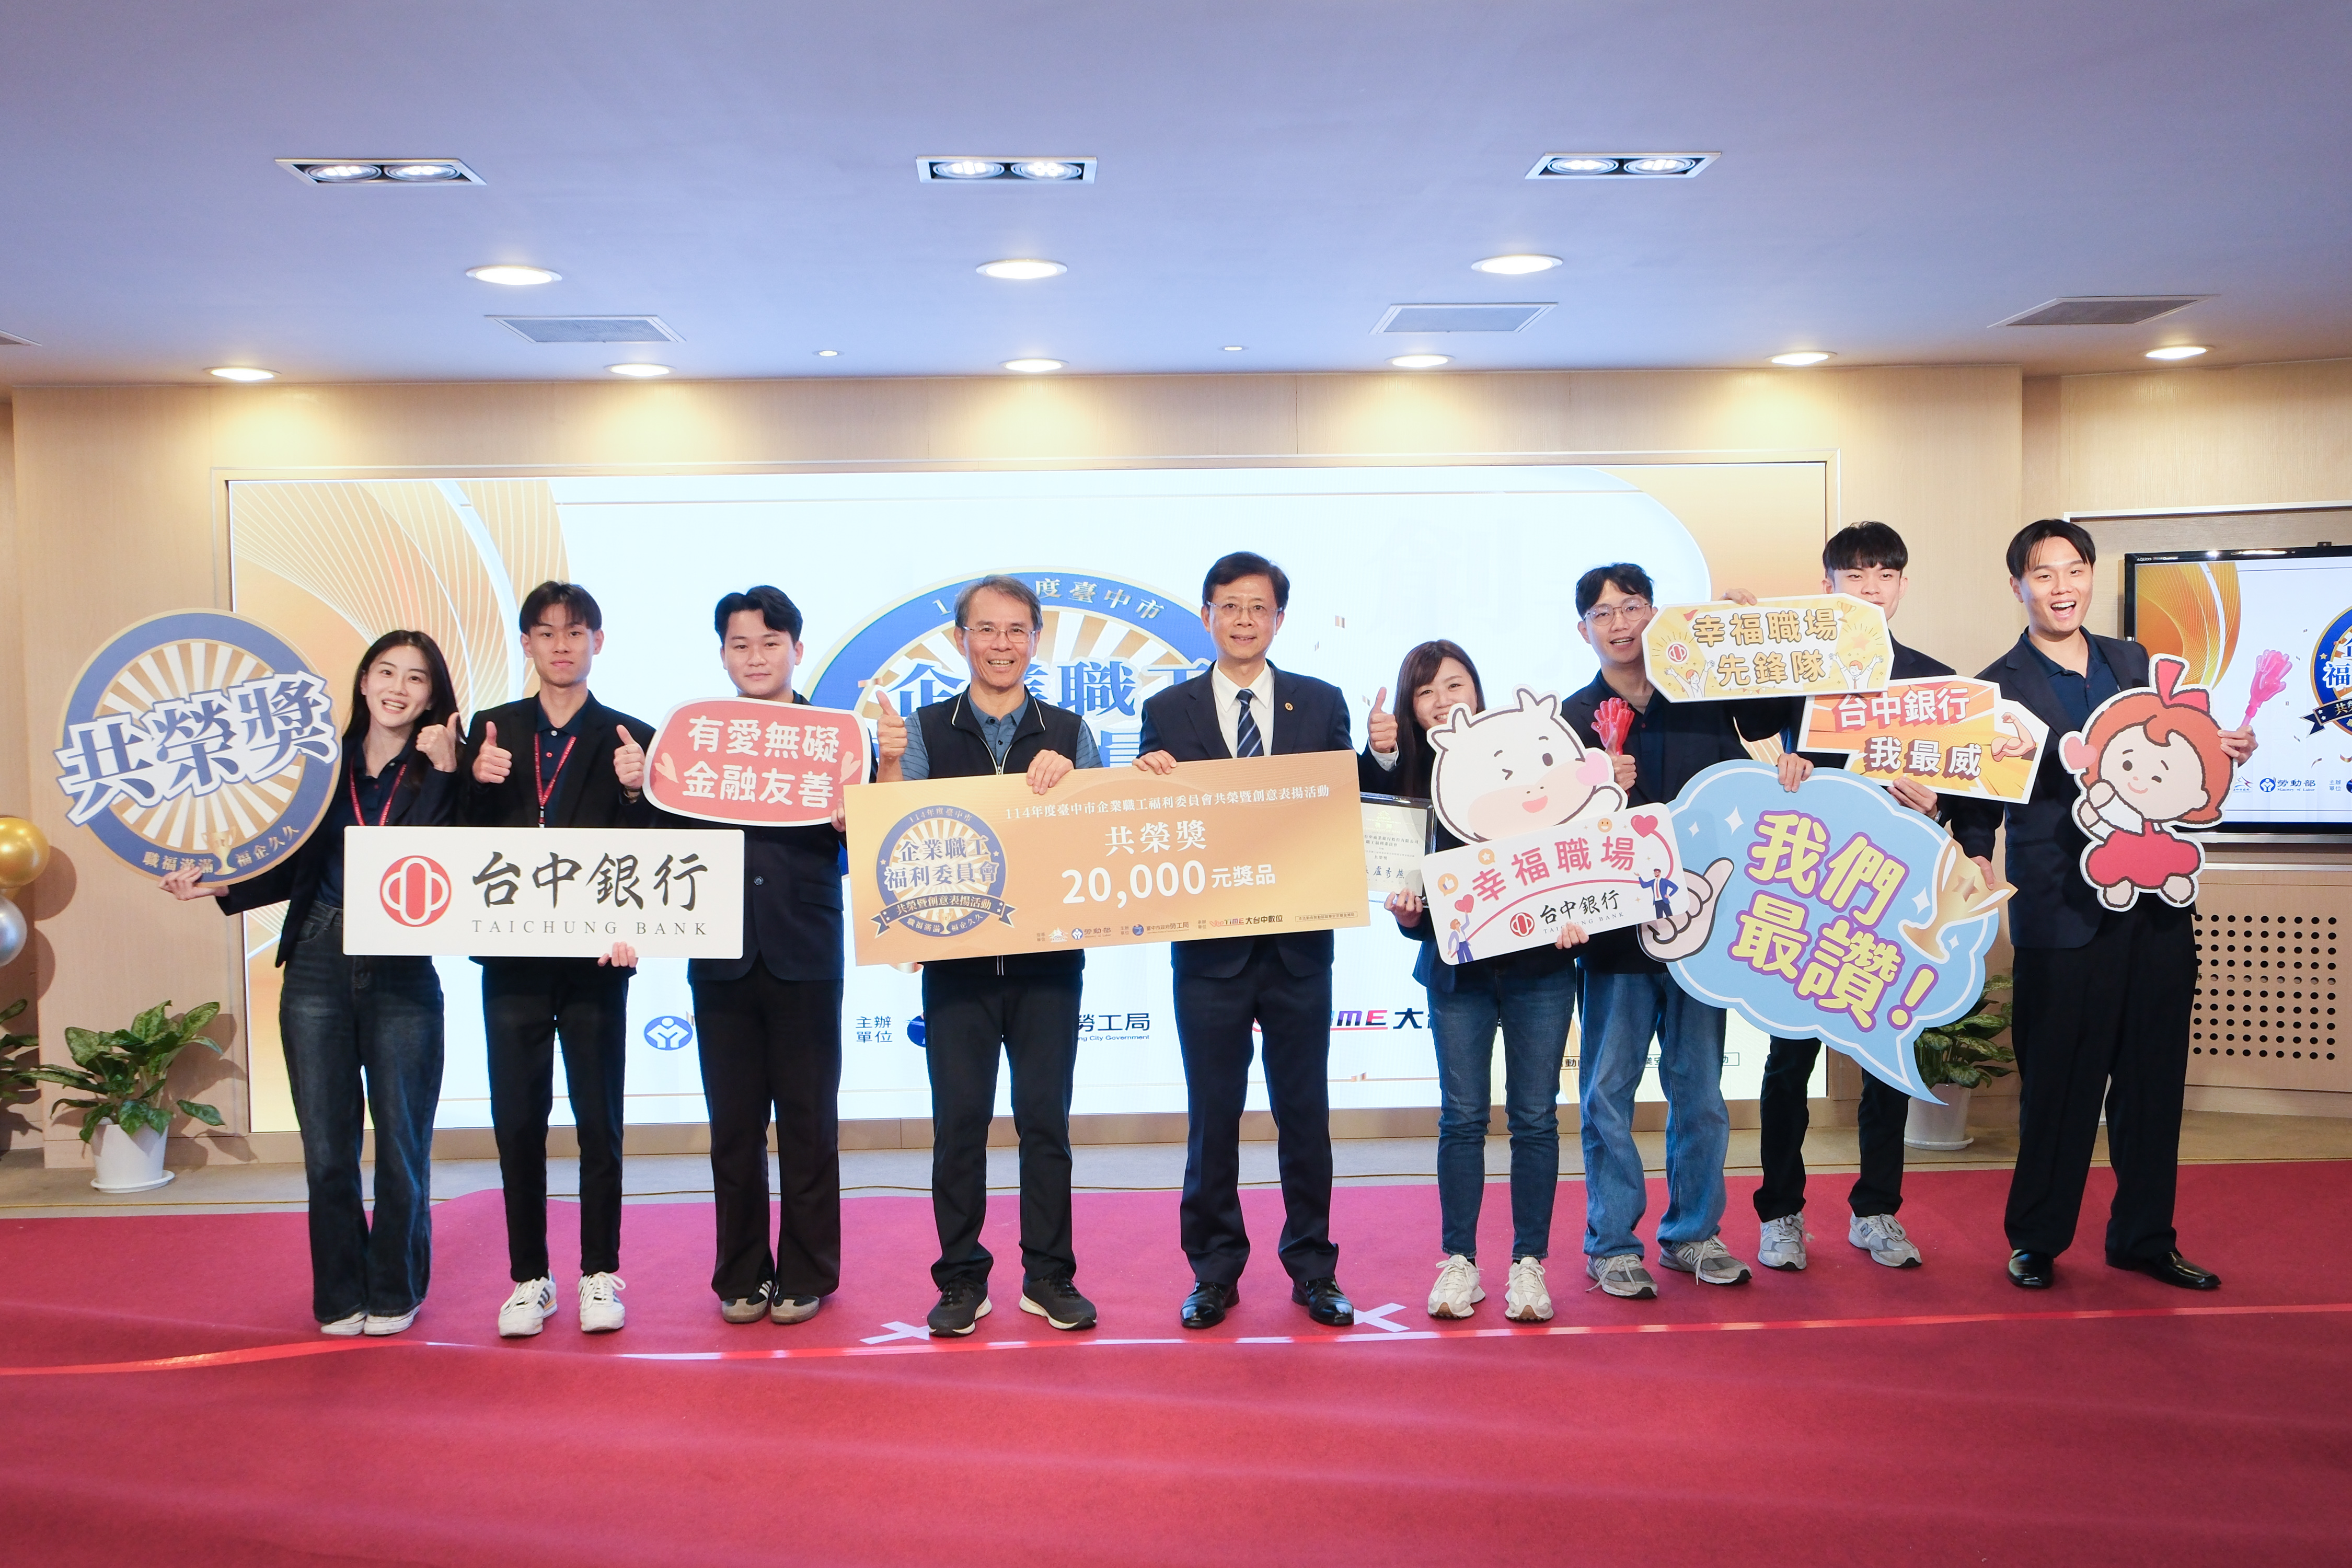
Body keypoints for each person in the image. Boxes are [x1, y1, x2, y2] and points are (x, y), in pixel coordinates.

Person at [1948, 521, 2256, 1293]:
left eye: (2075, 570)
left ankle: (2145, 1237)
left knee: (2154, 1082)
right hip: (2060, 913)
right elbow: (1975, 800)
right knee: (2059, 1086)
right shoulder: (1993, 688)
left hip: (2155, 911)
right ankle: (2037, 1240)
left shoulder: (2135, 663)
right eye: (2044, 574)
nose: (2063, 588)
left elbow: (2179, 755)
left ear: (2092, 575)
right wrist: (1977, 853)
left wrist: (2224, 749)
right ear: (2017, 586)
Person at [164, 632, 463, 1336]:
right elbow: (289, 858)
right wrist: (221, 883)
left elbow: (443, 856)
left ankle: (394, 1289)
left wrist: (445, 771)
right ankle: (339, 1293)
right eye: (386, 672)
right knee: (327, 1150)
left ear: (432, 696)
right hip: (318, 960)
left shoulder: (444, 768)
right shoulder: (319, 766)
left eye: (415, 678)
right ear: (363, 682)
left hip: (402, 964)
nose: (397, 688)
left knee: (402, 1147)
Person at [1560, 563, 1811, 1299]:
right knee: (1608, 1095)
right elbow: (1550, 835)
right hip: (1614, 940)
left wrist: (1745, 637)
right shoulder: (1570, 719)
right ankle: (1612, 1243)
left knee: (1699, 1092)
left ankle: (1693, 1234)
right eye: (1603, 613)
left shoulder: (1703, 693)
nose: (1620, 624)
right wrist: (1593, 792)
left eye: (1632, 606)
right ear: (1584, 629)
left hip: (1700, 936)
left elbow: (1776, 720)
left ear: (1655, 613)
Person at [1133, 550, 1357, 1330]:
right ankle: (1214, 1273)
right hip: (1209, 952)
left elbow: (1345, 806)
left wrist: (1385, 758)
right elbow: (1150, 820)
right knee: (1213, 1118)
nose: (1243, 620)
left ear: (1279, 620)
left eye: (1258, 607)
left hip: (1299, 948)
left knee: (1306, 1115)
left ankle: (1314, 1268)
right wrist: (1142, 778)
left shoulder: (1320, 704)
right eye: (1229, 606)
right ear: (1207, 616)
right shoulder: (1168, 711)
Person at [876, 574, 1103, 1337]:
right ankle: (960, 1279)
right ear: (960, 639)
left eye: (1016, 631)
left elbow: (1102, 837)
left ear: (1036, 640)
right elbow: (891, 833)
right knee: (959, 1125)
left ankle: (1049, 1275)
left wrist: (1076, 785)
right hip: (958, 968)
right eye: (986, 629)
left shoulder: (1070, 731)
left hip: (1048, 968)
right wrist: (886, 764)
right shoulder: (923, 729)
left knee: (1046, 1125)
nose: (1001, 644)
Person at [1364, 639, 1586, 1323]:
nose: (1442, 701)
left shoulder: (1529, 763)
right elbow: (1407, 890)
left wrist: (1576, 913)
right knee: (1461, 1118)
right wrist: (1408, 916)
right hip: (1457, 973)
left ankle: (1528, 1265)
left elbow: (1575, 856)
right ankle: (1459, 1261)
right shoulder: (1411, 779)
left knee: (1535, 1117)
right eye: (1426, 691)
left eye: (1454, 685)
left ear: (1478, 692)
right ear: (1411, 707)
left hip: (1541, 969)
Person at [1755, 522, 1956, 1274]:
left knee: (1886, 1059)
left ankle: (1876, 1211)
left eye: (1885, 574)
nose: (1872, 588)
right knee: (1787, 1063)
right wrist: (1784, 769)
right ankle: (1780, 1212)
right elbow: (1746, 730)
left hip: (1892, 902)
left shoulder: (1936, 684)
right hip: (1807, 898)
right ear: (1828, 586)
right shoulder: (1798, 674)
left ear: (1902, 586)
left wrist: (1938, 803)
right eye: (1856, 575)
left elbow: (1970, 795)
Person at [461, 581, 655, 1338]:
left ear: (598, 642)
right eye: (546, 633)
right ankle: (529, 1279)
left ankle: (600, 1273)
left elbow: (657, 854)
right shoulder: (491, 731)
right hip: (513, 957)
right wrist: (469, 782)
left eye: (576, 632)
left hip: (597, 960)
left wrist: (639, 794)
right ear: (527, 644)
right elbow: (458, 838)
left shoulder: (630, 737)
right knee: (518, 1122)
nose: (562, 646)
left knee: (600, 1122)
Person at [659, 586, 852, 1329]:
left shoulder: (837, 741)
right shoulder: (695, 743)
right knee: (734, 1128)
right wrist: (639, 787)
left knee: (810, 1124)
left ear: (797, 650)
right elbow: (666, 844)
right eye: (741, 645)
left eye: (771, 643)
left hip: (806, 951)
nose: (757, 657)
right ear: (723, 656)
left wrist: (856, 818)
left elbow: (870, 849)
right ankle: (740, 1273)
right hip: (718, 954)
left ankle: (807, 1272)